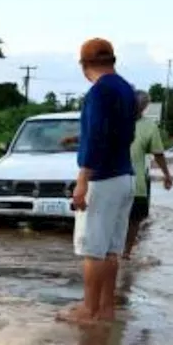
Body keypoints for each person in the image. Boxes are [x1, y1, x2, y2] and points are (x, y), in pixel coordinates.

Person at [60, 38, 137, 325]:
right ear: (112, 61)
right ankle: (105, 308)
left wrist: (82, 181)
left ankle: (88, 310)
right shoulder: (125, 89)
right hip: (124, 176)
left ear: (84, 65)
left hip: (102, 179)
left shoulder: (98, 92)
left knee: (92, 250)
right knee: (111, 250)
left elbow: (96, 138)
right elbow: (114, 133)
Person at [124, 90, 173, 260]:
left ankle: (125, 254)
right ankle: (121, 254)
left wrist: (167, 174)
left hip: (134, 184)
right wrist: (167, 175)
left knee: (133, 220)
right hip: (119, 182)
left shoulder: (149, 126)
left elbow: (158, 153)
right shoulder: (114, 120)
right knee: (126, 221)